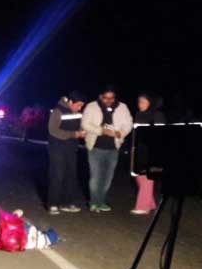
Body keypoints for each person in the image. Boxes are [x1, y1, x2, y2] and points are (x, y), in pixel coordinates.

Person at [82, 85, 133, 213]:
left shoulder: (122, 107)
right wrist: (101, 130)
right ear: (100, 96)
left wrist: (120, 133)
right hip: (95, 147)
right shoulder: (91, 106)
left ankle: (101, 201)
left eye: (112, 98)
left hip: (113, 148)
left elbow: (129, 124)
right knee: (96, 176)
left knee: (108, 177)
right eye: (106, 98)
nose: (109, 100)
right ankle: (94, 202)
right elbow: (85, 124)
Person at [46, 91, 87, 215]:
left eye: (81, 106)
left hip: (71, 148)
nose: (80, 108)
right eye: (78, 105)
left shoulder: (77, 112)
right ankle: (53, 204)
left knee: (71, 175)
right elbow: (52, 130)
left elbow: (78, 127)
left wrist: (81, 132)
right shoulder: (58, 110)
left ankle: (68, 203)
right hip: (57, 147)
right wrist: (73, 134)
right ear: (70, 102)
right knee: (57, 174)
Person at [130, 93, 166, 215]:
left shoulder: (157, 115)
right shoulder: (139, 114)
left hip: (152, 151)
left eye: (143, 101)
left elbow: (161, 134)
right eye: (139, 101)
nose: (140, 104)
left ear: (150, 103)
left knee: (146, 178)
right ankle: (150, 203)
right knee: (138, 176)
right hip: (139, 150)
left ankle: (143, 206)